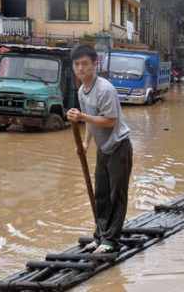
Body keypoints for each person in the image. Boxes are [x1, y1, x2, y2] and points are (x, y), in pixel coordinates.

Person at [67, 45, 133, 254]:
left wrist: (82, 117)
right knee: (101, 194)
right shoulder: (82, 90)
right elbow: (91, 123)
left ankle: (111, 241)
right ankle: (100, 236)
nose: (80, 68)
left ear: (95, 64)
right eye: (76, 64)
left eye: (85, 64)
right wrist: (86, 143)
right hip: (102, 147)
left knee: (116, 195)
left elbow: (110, 121)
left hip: (118, 146)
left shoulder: (104, 89)